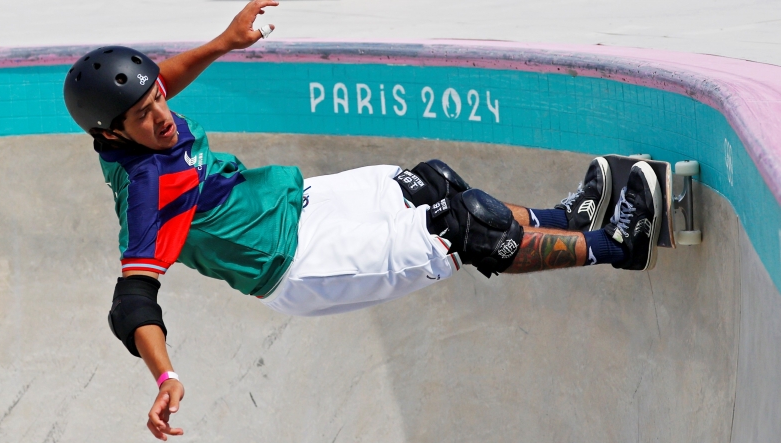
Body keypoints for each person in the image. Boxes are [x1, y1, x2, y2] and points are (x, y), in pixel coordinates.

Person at [62, 1, 663, 440]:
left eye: (158, 101)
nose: (162, 116)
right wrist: (165, 377)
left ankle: (566, 216)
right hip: (299, 265)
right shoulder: (144, 195)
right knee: (466, 228)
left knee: (430, 182)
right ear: (111, 132)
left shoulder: (138, 122)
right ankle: (616, 244)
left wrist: (223, 41)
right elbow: (133, 299)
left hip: (298, 202)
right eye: (144, 114)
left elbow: (165, 76)